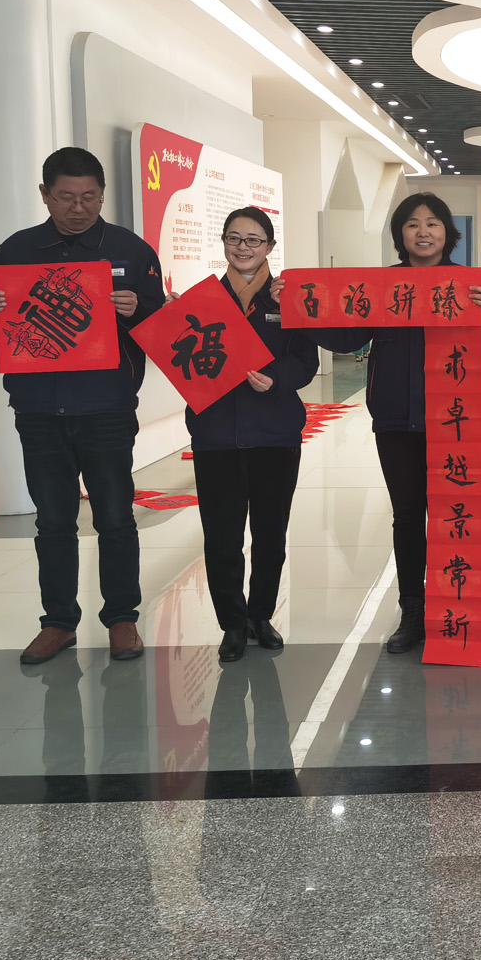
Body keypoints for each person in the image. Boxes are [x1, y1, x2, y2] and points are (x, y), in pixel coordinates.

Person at [0, 147, 165, 664]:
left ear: (103, 195)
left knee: (115, 518)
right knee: (53, 521)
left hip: (107, 408)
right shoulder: (15, 251)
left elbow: (162, 327)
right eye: (66, 198)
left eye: (90, 198)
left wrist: (137, 309)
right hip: (38, 410)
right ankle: (58, 622)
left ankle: (122, 618)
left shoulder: (132, 250)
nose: (79, 208)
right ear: (45, 195)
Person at [299, 193, 481, 655]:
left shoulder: (469, 284)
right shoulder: (384, 285)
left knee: (453, 514)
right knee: (408, 515)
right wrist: (301, 310)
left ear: (447, 233)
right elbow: (350, 337)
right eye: (413, 224)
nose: (423, 232)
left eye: (433, 223)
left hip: (454, 421)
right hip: (396, 418)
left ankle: (454, 607)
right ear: (400, 235)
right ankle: (412, 610)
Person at [189, 208, 318, 664]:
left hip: (275, 434)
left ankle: (261, 615)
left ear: (270, 246)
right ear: (224, 242)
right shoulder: (202, 300)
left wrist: (277, 378)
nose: (243, 247)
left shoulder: (287, 298)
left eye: (254, 239)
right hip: (216, 436)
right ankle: (232, 623)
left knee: (270, 534)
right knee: (222, 537)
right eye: (234, 238)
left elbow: (306, 361)